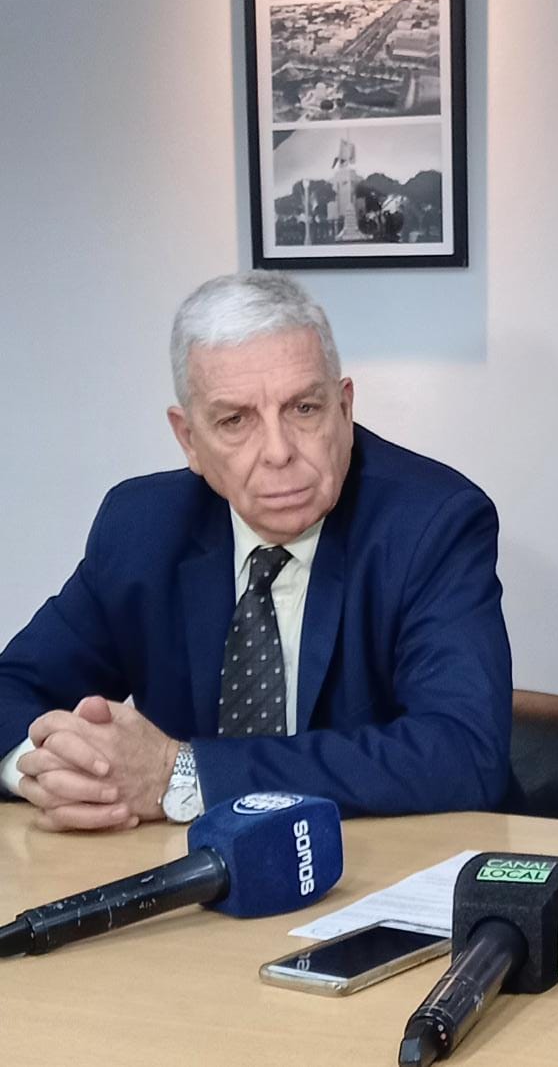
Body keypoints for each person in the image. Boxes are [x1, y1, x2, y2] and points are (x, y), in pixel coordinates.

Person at [0, 271, 512, 830]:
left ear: (344, 409)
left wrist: (182, 774)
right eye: (235, 420)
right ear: (189, 440)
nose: (277, 451)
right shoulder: (141, 528)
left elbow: (465, 753)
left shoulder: (431, 524)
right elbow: (12, 689)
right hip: (194, 869)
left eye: (303, 409)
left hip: (394, 863)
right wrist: (49, 772)